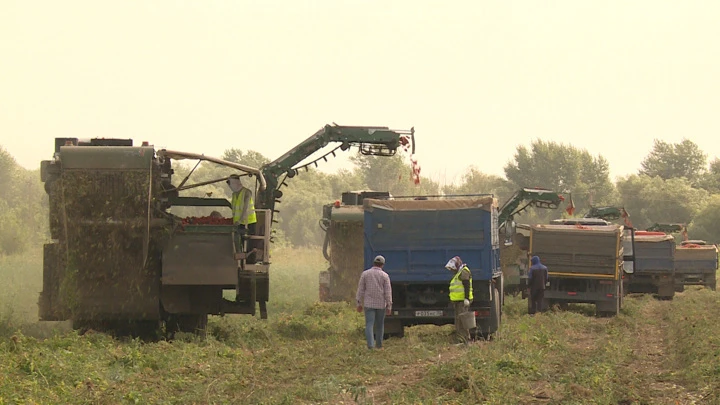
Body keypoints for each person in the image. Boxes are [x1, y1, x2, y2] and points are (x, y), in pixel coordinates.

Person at [356, 255, 392, 350]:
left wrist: (359, 303)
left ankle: (370, 346)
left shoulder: (365, 274)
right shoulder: (385, 276)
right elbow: (388, 293)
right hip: (381, 305)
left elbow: (360, 289)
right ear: (382, 265)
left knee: (369, 324)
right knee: (380, 325)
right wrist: (389, 306)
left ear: (373, 263)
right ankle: (379, 345)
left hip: (369, 304)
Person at [446, 256, 473, 343]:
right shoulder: (459, 272)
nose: (452, 271)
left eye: (453, 268)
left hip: (463, 301)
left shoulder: (464, 271)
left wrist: (466, 298)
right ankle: (460, 339)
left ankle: (465, 340)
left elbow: (466, 285)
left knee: (463, 321)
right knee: (458, 320)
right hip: (459, 301)